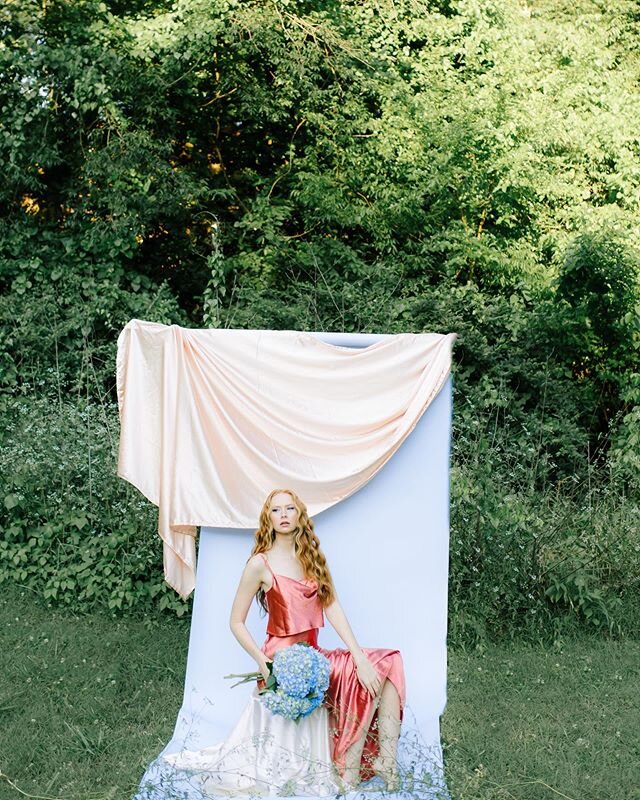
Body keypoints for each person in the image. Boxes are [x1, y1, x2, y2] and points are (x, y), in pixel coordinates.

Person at [161, 488, 405, 797]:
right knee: (366, 674)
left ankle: (386, 760)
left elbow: (332, 607)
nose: (284, 515)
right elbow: (235, 621)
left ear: (300, 515)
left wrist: (358, 656)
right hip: (281, 664)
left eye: (290, 508)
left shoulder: (311, 558)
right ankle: (350, 766)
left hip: (314, 658)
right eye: (276, 510)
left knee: (389, 661)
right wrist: (262, 662)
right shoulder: (259, 564)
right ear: (268, 519)